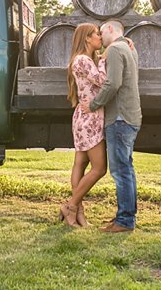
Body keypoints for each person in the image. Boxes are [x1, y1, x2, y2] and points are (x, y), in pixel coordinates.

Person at [86, 19, 142, 233]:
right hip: (129, 116)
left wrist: (93, 104)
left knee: (121, 171)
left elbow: (113, 83)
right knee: (126, 168)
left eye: (101, 32)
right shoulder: (127, 48)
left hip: (119, 118)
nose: (100, 37)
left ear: (110, 29)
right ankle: (125, 216)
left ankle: (125, 221)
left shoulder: (118, 49)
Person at [58, 23, 109, 227]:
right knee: (99, 169)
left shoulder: (85, 60)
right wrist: (105, 60)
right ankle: (70, 206)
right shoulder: (82, 60)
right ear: (87, 38)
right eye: (97, 34)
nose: (100, 37)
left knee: (80, 164)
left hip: (85, 116)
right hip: (89, 118)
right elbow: (103, 81)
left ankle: (79, 214)